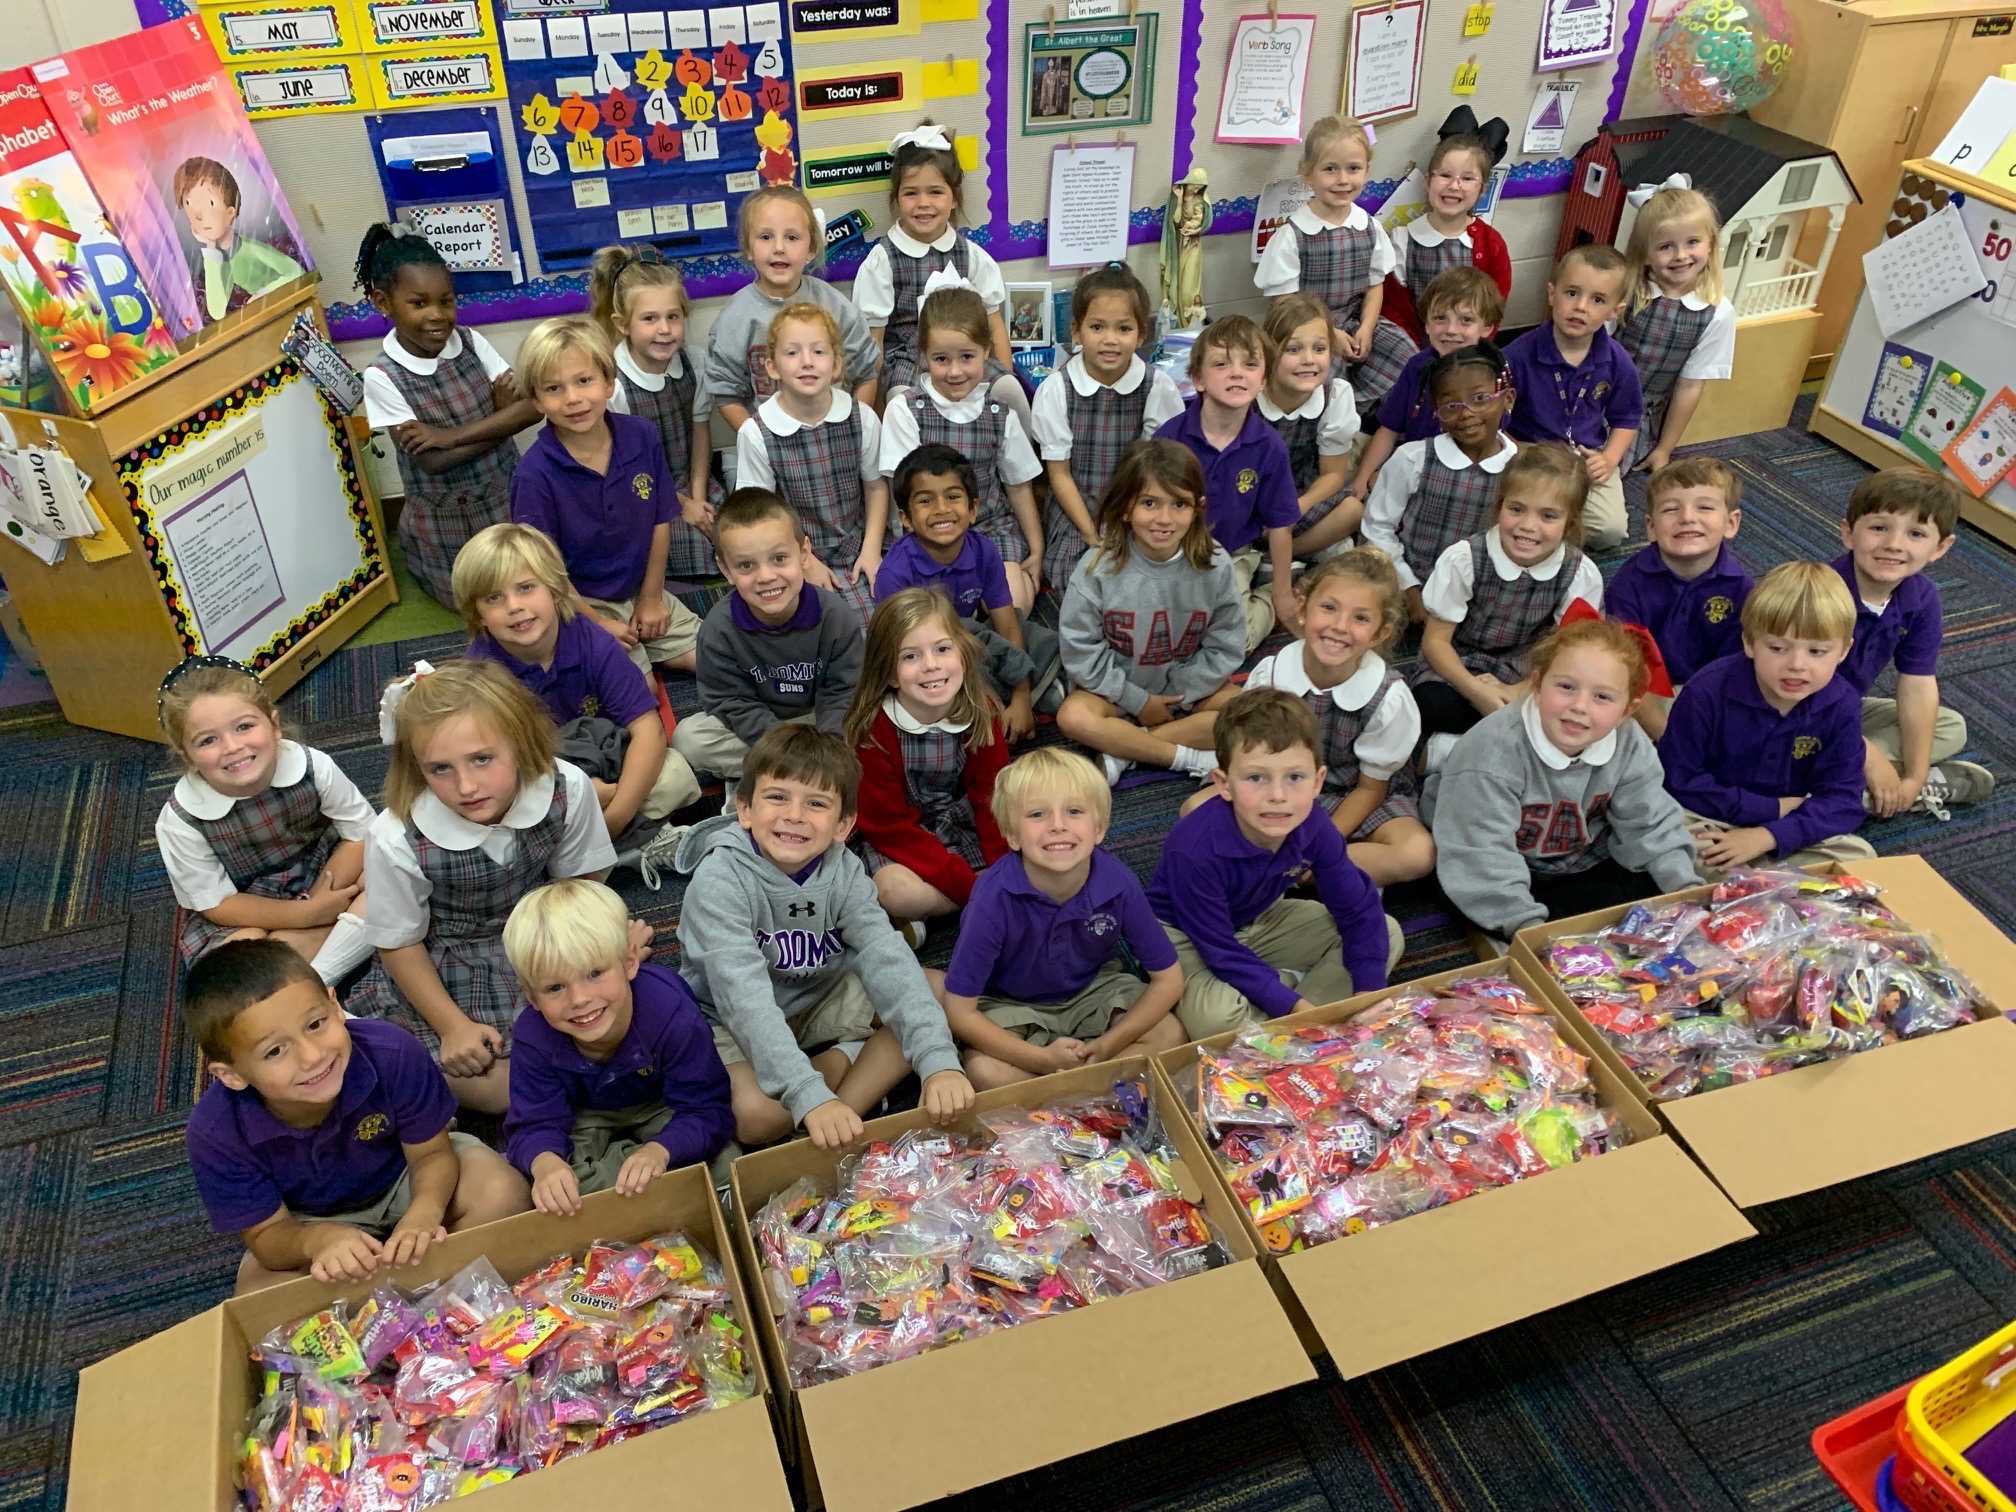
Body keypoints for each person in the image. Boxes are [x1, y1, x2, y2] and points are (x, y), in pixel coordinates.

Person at [671, 725, 976, 1148]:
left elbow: (883, 954)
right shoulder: (719, 880)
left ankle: (838, 1112)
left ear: (842, 825)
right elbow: (744, 1000)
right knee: (754, 1116)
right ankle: (832, 1079)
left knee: (943, 994)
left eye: (816, 803)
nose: (794, 815)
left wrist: (938, 1061)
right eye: (777, 797)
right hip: (730, 1018)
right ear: (744, 809)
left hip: (817, 994)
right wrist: (805, 1092)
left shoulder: (845, 870)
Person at [348, 660, 618, 1113]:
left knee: (617, 1031)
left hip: (540, 932)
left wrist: (598, 946)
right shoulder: (396, 835)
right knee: (504, 1091)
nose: (466, 786)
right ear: (416, 767)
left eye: (482, 758)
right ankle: (407, 1071)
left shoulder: (567, 786)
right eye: (440, 769)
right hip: (449, 958)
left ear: (520, 741)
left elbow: (580, 885)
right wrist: (452, 1027)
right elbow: (400, 945)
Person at [183, 939, 527, 1293]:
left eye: (315, 1024)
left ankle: (418, 1296)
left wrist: (425, 1212)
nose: (312, 1056)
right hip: (311, 1218)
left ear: (335, 1006)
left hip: (407, 1176)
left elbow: (432, 1154)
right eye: (275, 1051)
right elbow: (266, 1234)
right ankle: (422, 1285)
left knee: (503, 1192)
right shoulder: (216, 1131)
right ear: (231, 1075)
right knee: (257, 1293)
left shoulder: (393, 1052)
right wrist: (316, 1242)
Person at [1426, 618, 1700, 953]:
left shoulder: (1627, 741)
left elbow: (1650, 820)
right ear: (1538, 685)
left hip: (1578, 856)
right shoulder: (1492, 751)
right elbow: (1480, 852)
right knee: (1466, 893)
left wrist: (1685, 892)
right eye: (1566, 687)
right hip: (1498, 857)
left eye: (1602, 697)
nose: (1580, 707)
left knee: (1652, 888)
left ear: (1627, 710)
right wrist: (1528, 928)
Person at [1148, 689, 1403, 1039]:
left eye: (1294, 778)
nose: (1278, 796)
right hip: (1185, 934)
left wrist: (1368, 990)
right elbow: (1218, 948)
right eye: (1256, 778)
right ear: (1224, 784)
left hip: (1259, 918)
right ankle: (1295, 1004)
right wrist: (1293, 1006)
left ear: (1317, 782)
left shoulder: (1314, 826)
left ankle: (1289, 1020)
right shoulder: (1192, 849)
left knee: (1386, 933)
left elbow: (1357, 907)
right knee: (1216, 1018)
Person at [929, 748, 1185, 1088]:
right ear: (1012, 835)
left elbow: (1169, 979)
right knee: (983, 1071)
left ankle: (1064, 1094)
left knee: (1172, 1032)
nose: (1058, 826)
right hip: (1013, 1003)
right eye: (1037, 814)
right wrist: (1043, 1060)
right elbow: (961, 1012)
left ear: (1099, 829)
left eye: (1074, 811)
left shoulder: (1118, 882)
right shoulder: (992, 898)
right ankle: (1093, 1090)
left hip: (1094, 988)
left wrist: (1110, 1045)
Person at [501, 880, 733, 1215]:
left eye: (594, 974)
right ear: (531, 997)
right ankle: (634, 1181)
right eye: (554, 988)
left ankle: (628, 1177)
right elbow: (533, 1123)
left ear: (629, 963)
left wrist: (660, 1150)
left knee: (727, 1163)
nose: (579, 1000)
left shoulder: (672, 1013)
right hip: (584, 1113)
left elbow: (708, 1108)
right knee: (550, 1191)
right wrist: (544, 1163)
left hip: (663, 1102)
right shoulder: (532, 1036)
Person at [454, 523, 700, 837]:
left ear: (556, 591)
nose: (514, 606)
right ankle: (614, 840)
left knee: (674, 776)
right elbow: (485, 764)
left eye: (526, 587)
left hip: (607, 760)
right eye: (494, 598)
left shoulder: (595, 643)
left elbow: (648, 730)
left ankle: (599, 838)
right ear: (477, 615)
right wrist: (561, 796)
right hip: (536, 775)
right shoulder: (479, 673)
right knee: (475, 811)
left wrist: (616, 815)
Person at [154, 656, 374, 985]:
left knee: (393, 872)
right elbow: (219, 905)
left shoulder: (314, 766)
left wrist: (315, 901)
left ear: (273, 724)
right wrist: (305, 915)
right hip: (247, 907)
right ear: (187, 755)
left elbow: (360, 836)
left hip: (327, 875)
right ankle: (316, 950)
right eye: (207, 740)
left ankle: (307, 978)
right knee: (238, 956)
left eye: (244, 726)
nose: (232, 747)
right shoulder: (181, 819)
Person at [356, 223, 539, 607]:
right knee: (487, 604)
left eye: (447, 301)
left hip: (506, 501)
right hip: (448, 527)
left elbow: (533, 408)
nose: (438, 315)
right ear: (382, 302)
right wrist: (501, 419)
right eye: (419, 303)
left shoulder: (471, 341)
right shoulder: (382, 376)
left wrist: (448, 435)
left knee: (534, 587)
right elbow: (434, 462)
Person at [509, 317, 702, 677]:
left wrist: (651, 597)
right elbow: (543, 572)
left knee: (719, 662)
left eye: (584, 381)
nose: (573, 399)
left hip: (642, 588)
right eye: (554, 388)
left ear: (609, 383)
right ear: (536, 400)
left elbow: (661, 521)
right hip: (580, 603)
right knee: (635, 696)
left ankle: (652, 646)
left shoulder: (642, 436)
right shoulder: (533, 476)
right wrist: (597, 622)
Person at [1659, 562, 1877, 876]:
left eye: (1817, 652)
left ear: (1843, 651)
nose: (1797, 665)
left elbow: (1842, 800)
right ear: (1749, 642)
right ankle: (1771, 882)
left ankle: (1754, 879)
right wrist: (1768, 810)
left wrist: (1768, 835)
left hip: (1788, 819)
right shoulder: (1706, 691)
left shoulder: (1842, 704)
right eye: (1777, 648)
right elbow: (1678, 779)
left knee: (1861, 857)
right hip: (1713, 814)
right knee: (1675, 848)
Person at [1056, 439, 1245, 784]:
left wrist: (1179, 695)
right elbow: (1081, 651)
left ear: (1198, 508)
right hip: (1115, 696)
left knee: (1247, 715)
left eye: (1179, 504)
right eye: (1149, 503)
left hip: (1188, 694)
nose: (1164, 519)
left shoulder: (1215, 564)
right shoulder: (1097, 568)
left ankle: (1124, 752)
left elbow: (1226, 644)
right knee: (1073, 717)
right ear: (1126, 508)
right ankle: (1182, 755)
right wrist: (1139, 701)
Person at [1242, 550, 1434, 885]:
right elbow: (1253, 759)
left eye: (1361, 618)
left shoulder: (1389, 698)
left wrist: (1317, 846)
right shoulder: (1270, 675)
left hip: (1358, 794)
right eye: (1328, 608)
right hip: (1284, 785)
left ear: (1379, 633)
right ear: (1302, 608)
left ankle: (1297, 873)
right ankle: (1333, 878)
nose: (1339, 627)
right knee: (1197, 809)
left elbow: (1370, 790)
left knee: (1416, 853)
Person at [1413, 443, 1603, 752]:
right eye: (1516, 509)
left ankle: (1458, 751)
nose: (1528, 526)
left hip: (1534, 675)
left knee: (1577, 710)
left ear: (1570, 523)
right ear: (1500, 506)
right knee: (1429, 703)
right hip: (1461, 665)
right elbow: (1435, 643)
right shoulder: (1465, 558)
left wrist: (1517, 692)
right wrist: (1477, 690)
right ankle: (1505, 744)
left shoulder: (1580, 573)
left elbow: (1571, 653)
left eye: (1548, 516)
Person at [671, 488, 864, 787]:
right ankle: (798, 769)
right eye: (746, 565)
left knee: (881, 720)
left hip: (820, 722)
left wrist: (830, 744)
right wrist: (782, 746)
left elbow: (843, 693)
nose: (765, 577)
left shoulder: (836, 617)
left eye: (779, 558)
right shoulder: (718, 629)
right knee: (690, 739)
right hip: (759, 731)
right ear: (725, 569)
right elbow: (729, 702)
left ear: (803, 554)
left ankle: (785, 772)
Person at [1834, 468, 1995, 819]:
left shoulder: (1921, 598)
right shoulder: (1821, 593)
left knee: (1948, 725)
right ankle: (1850, 793)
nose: (1894, 544)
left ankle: (1885, 789)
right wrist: (1867, 756)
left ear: (1940, 548)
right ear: (1848, 532)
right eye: (1879, 528)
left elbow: (1918, 684)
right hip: (1785, 712)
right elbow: (1794, 692)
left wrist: (1914, 775)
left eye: (1916, 533)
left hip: (1843, 709)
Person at [844, 589, 1010, 930]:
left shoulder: (982, 711)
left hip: (962, 823)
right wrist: (970, 886)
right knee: (895, 891)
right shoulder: (872, 731)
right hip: (901, 835)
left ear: (962, 652)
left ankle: (941, 912)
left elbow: (992, 799)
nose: (931, 665)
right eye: (910, 657)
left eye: (943, 648)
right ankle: (983, 903)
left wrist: (1005, 868)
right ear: (889, 673)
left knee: (1039, 857)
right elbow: (887, 827)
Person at [878, 274, 1045, 610]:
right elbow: (897, 492)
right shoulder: (906, 409)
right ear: (924, 356)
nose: (954, 372)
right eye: (941, 359)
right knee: (934, 614)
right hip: (929, 532)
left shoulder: (999, 413)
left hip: (990, 529)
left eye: (967, 357)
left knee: (1014, 606)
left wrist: (1036, 547)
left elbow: (1018, 486)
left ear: (986, 352)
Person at [1029, 261, 1184, 596]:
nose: (1110, 340)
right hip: (1078, 510)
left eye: (1124, 329)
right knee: (1077, 583)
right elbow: (1060, 476)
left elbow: (1158, 473)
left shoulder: (1157, 387)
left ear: (1141, 333)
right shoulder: (1058, 389)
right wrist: (1092, 535)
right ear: (1076, 331)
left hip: (1138, 505)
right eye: (1097, 327)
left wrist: (1131, 522)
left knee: (1155, 581)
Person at [875, 443, 1046, 739]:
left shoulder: (984, 551)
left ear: (973, 509)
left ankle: (1016, 697)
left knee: (1032, 635)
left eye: (953, 497)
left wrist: (1022, 698)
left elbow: (1006, 623)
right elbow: (901, 653)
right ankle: (978, 711)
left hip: (967, 641)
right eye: (925, 501)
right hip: (926, 659)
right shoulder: (895, 573)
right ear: (905, 518)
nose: (942, 509)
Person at [733, 302, 887, 621]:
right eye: (792, 353)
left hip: (862, 542)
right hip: (792, 553)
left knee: (895, 619)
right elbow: (760, 516)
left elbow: (876, 488)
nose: (807, 363)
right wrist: (805, 561)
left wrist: (871, 550)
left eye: (818, 352)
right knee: (825, 624)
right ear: (772, 367)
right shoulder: (757, 432)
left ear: (836, 365)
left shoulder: (862, 418)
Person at [1254, 114, 1418, 414]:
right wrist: (1329, 335)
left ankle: (1368, 421)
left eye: (1353, 169)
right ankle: (1324, 426)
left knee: (1406, 354)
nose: (1343, 180)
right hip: (1305, 330)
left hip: (1356, 321)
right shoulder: (1293, 235)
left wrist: (1367, 328)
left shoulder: (1369, 227)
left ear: (1367, 171)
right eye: (1330, 169)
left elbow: (1374, 286)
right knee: (1322, 376)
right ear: (1307, 173)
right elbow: (1284, 303)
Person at [1155, 315, 1300, 649]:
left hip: (1233, 554)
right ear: (1198, 379)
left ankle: (1261, 596)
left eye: (1250, 364)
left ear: (1263, 380)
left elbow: (1280, 525)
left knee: (1233, 644)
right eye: (1221, 364)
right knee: (1168, 633)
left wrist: (1281, 594)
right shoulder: (1170, 438)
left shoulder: (1269, 446)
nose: (1237, 373)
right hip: (1171, 553)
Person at [852, 124, 1018, 404]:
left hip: (966, 356)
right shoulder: (883, 260)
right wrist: (875, 412)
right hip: (908, 360)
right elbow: (873, 343)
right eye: (911, 193)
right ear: (896, 199)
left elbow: (994, 324)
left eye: (935, 192)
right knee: (901, 402)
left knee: (1009, 391)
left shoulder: (972, 255)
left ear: (954, 198)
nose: (923, 203)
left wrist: (1006, 376)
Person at [1361, 342, 1520, 621]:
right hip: (1410, 585)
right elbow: (1377, 528)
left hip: (1483, 593)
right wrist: (1409, 589)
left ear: (1507, 398)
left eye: (1480, 398)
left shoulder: (1521, 469)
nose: (1466, 413)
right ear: (1436, 412)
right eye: (1451, 405)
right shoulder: (1413, 459)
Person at [1502, 244, 1642, 552]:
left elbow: (1627, 418)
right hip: (1527, 451)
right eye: (1571, 293)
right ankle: (1543, 526)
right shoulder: (1517, 355)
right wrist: (1514, 452)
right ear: (1552, 294)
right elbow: (1495, 421)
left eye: (1598, 300)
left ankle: (1552, 529)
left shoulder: (1617, 361)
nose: (1581, 307)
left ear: (1614, 311)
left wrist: (1609, 459)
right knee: (1496, 512)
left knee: (1610, 531)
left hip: (1585, 456)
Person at [703, 184, 880, 426]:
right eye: (765, 237)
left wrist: (857, 430)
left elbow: (866, 374)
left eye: (792, 237)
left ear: (811, 249)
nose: (779, 248)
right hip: (771, 447)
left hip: (837, 438)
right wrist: (759, 443)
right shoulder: (735, 318)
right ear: (748, 248)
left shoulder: (836, 307)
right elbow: (725, 393)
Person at [590, 244, 717, 579]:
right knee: (680, 546)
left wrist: (699, 495)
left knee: (732, 531)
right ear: (623, 324)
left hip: (691, 479)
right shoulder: (614, 385)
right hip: (641, 490)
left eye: (673, 317)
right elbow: (621, 465)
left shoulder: (696, 364)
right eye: (650, 319)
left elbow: (701, 432)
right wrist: (683, 505)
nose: (664, 329)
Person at [1606, 456, 1751, 740]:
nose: (1687, 517)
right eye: (1671, 509)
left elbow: (1734, 669)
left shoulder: (1741, 588)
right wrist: (1667, 735)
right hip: (1643, 692)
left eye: (1705, 507)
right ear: (1650, 527)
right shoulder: (1629, 582)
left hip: (1707, 693)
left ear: (1731, 523)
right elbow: (1625, 665)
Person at [1350, 265, 1506, 500]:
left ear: (1487, 328)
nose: (1451, 330)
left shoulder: (1495, 373)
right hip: (1412, 462)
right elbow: (1389, 429)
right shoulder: (1417, 366)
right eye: (1440, 318)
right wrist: (1362, 478)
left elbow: (1493, 444)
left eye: (1466, 320)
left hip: (1465, 478)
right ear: (1426, 324)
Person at [1616, 184, 1736, 473]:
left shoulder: (1717, 313)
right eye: (1666, 246)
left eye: (1692, 242)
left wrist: (1664, 449)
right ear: (1644, 253)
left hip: (1638, 413)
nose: (1681, 255)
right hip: (1594, 390)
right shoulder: (1627, 288)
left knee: (1604, 467)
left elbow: (1690, 386)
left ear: (1711, 243)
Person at [1382, 109, 1513, 345]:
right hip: (1414, 348)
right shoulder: (1403, 239)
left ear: (1482, 188)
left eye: (1467, 178)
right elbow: (1395, 310)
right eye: (1445, 175)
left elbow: (1495, 306)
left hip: (1469, 348)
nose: (1454, 186)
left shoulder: (1490, 244)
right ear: (1428, 181)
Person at [1257, 294, 1362, 558]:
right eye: (1293, 349)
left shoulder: (1334, 395)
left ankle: (1281, 557)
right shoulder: (1249, 395)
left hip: (1302, 497)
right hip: (1251, 498)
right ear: (1270, 352)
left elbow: (1333, 475)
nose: (1308, 360)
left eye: (1319, 349)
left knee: (1353, 510)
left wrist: (1294, 509)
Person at [173, 156, 305, 325]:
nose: (198, 215)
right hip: (271, 313)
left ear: (230, 213)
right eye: (189, 204)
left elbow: (296, 272)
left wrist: (263, 294)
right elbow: (217, 311)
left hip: (292, 301)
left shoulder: (250, 248)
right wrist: (210, 249)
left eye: (210, 203)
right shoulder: (224, 261)